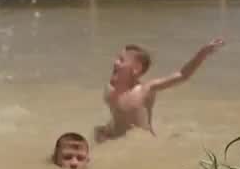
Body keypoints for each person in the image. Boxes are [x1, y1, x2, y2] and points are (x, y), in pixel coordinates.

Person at [94, 38, 225, 143]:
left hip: (143, 144)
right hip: (118, 140)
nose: (115, 62)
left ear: (136, 69)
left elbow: (182, 75)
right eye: (117, 58)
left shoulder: (146, 90)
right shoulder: (109, 91)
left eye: (121, 60)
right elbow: (117, 117)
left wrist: (202, 53)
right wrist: (104, 132)